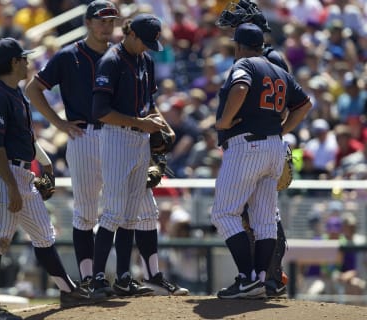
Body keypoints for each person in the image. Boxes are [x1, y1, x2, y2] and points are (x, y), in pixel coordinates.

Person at [26, 1, 188, 296]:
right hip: (86, 134)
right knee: (87, 212)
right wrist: (59, 124)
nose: (106, 25)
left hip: (126, 136)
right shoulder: (70, 55)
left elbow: (147, 104)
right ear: (87, 22)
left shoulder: (130, 55)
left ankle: (149, 275)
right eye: (101, 20)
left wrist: (161, 127)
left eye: (111, 20)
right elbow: (33, 89)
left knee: (145, 209)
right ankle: (90, 279)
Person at [0, 37, 96, 318]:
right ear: (14, 62)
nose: (28, 62)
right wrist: (11, 188)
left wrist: (43, 164)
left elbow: (26, 138)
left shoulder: (14, 92)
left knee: (44, 234)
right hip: (2, 173)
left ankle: (67, 289)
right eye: (24, 58)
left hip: (19, 172)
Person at [90, 13, 189, 297]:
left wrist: (160, 124)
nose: (146, 47)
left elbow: (149, 102)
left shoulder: (144, 60)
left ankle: (123, 278)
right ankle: (98, 279)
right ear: (129, 33)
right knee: (113, 212)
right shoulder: (111, 60)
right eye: (143, 41)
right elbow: (100, 112)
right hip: (117, 137)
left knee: (131, 215)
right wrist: (141, 123)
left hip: (139, 138)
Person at [211, 23, 312, 299]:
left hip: (247, 145)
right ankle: (257, 279)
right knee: (265, 220)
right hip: (273, 147)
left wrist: (225, 120)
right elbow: (305, 104)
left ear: (239, 44)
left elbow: (241, 86)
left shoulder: (245, 64)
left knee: (223, 213)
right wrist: (283, 129)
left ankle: (246, 277)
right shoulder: (279, 70)